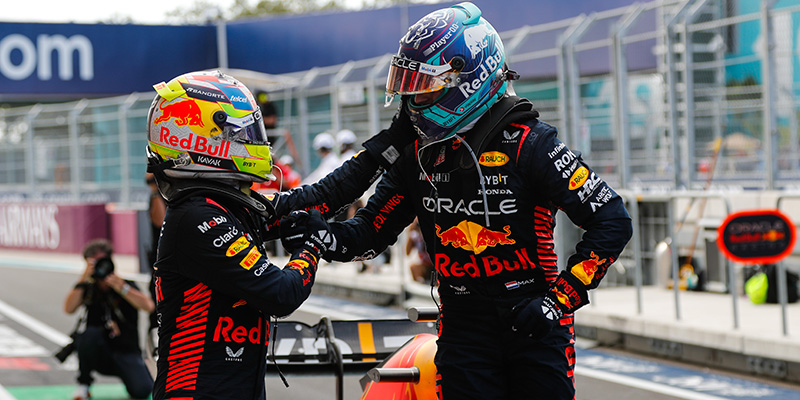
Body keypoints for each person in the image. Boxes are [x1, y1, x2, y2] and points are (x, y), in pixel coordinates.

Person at [322, 3, 633, 399]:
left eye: (425, 87)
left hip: (533, 319)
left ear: (469, 78)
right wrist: (318, 236)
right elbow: (368, 233)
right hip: (462, 326)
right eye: (410, 87)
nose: (413, 101)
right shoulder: (416, 154)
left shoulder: (531, 143)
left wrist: (559, 300)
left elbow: (612, 220)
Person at [145, 70, 413, 400]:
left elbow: (320, 196)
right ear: (201, 140)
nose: (254, 141)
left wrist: (389, 143)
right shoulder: (199, 216)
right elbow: (281, 293)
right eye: (241, 132)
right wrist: (312, 245)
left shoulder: (226, 205)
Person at [63, 239, 155, 400]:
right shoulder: (88, 288)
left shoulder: (125, 284)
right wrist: (83, 279)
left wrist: (122, 288)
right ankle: (84, 385)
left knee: (142, 390)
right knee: (88, 335)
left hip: (126, 352)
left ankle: (133, 374)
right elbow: (69, 309)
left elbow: (148, 306)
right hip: (100, 351)